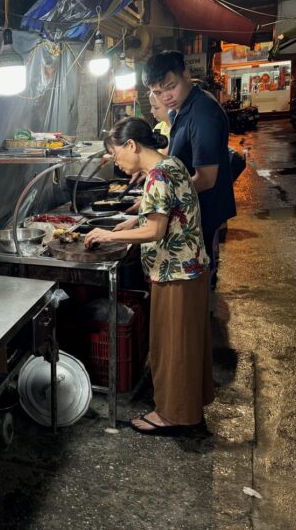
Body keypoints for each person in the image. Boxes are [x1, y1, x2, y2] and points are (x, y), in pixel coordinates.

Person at [84, 117, 213, 434]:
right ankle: (186, 409)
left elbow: (156, 229)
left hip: (176, 273)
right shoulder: (171, 164)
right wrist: (131, 223)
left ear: (132, 145)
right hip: (189, 268)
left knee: (174, 347)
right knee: (185, 343)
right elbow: (166, 212)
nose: (117, 162)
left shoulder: (157, 176)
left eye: (116, 155)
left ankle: (175, 417)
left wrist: (107, 235)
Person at [142, 51, 236, 289]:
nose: (165, 97)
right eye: (158, 92)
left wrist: (161, 198)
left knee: (198, 282)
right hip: (194, 210)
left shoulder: (202, 113)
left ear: (186, 73)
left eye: (170, 87)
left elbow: (206, 179)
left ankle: (198, 321)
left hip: (203, 211)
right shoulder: (185, 108)